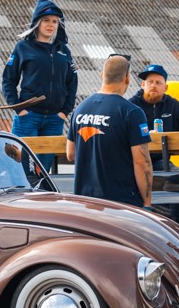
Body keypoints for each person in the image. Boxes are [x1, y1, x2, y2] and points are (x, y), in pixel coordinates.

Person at [65, 55, 153, 207]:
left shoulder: (80, 110)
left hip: (85, 201)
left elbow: (70, 154)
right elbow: (142, 162)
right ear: (127, 78)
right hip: (121, 204)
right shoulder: (131, 112)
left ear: (102, 75)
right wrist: (147, 203)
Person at [1, 0, 77, 170]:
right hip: (28, 117)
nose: (51, 25)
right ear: (37, 22)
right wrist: (19, 109)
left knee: (43, 170)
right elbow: (8, 80)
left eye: (55, 21)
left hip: (54, 119)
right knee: (21, 169)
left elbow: (72, 82)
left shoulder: (64, 51)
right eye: (46, 20)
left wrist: (65, 111)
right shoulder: (23, 47)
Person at [127, 64, 179, 171]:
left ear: (165, 88)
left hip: (161, 162)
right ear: (143, 84)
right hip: (132, 162)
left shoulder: (172, 105)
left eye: (158, 83)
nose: (153, 85)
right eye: (150, 82)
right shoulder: (130, 106)